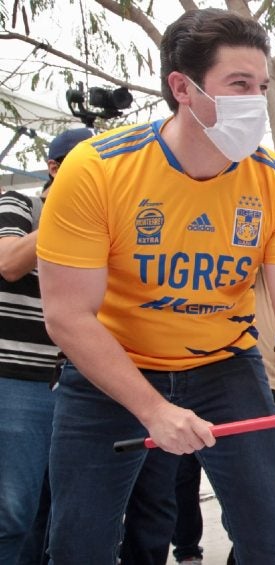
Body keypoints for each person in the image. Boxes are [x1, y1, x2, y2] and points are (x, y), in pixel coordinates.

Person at [36, 9, 275, 563]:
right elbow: (67, 316)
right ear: (182, 88)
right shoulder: (96, 168)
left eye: (262, 86)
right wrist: (152, 409)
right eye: (238, 85)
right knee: (79, 541)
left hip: (224, 365)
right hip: (112, 370)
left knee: (269, 539)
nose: (255, 101)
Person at [0, 127, 92, 564]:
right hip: (16, 377)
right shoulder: (24, 204)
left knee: (56, 514)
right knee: (13, 511)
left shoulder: (99, 222)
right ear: (54, 168)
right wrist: (66, 214)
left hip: (74, 382)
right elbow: (9, 263)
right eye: (81, 162)